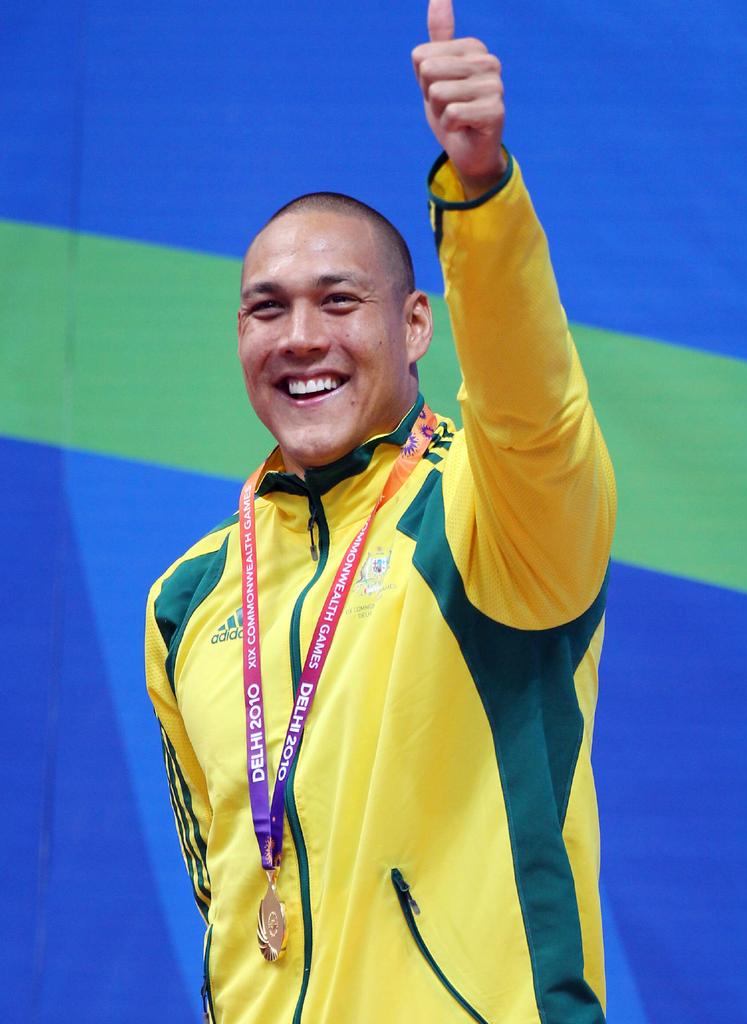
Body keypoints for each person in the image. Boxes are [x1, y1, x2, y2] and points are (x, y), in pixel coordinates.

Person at [144, 1, 616, 1021]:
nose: (300, 337)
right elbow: (229, 895)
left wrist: (480, 196)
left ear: (415, 325)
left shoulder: (491, 518)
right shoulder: (187, 600)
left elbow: (533, 411)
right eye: (268, 309)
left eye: (339, 301)